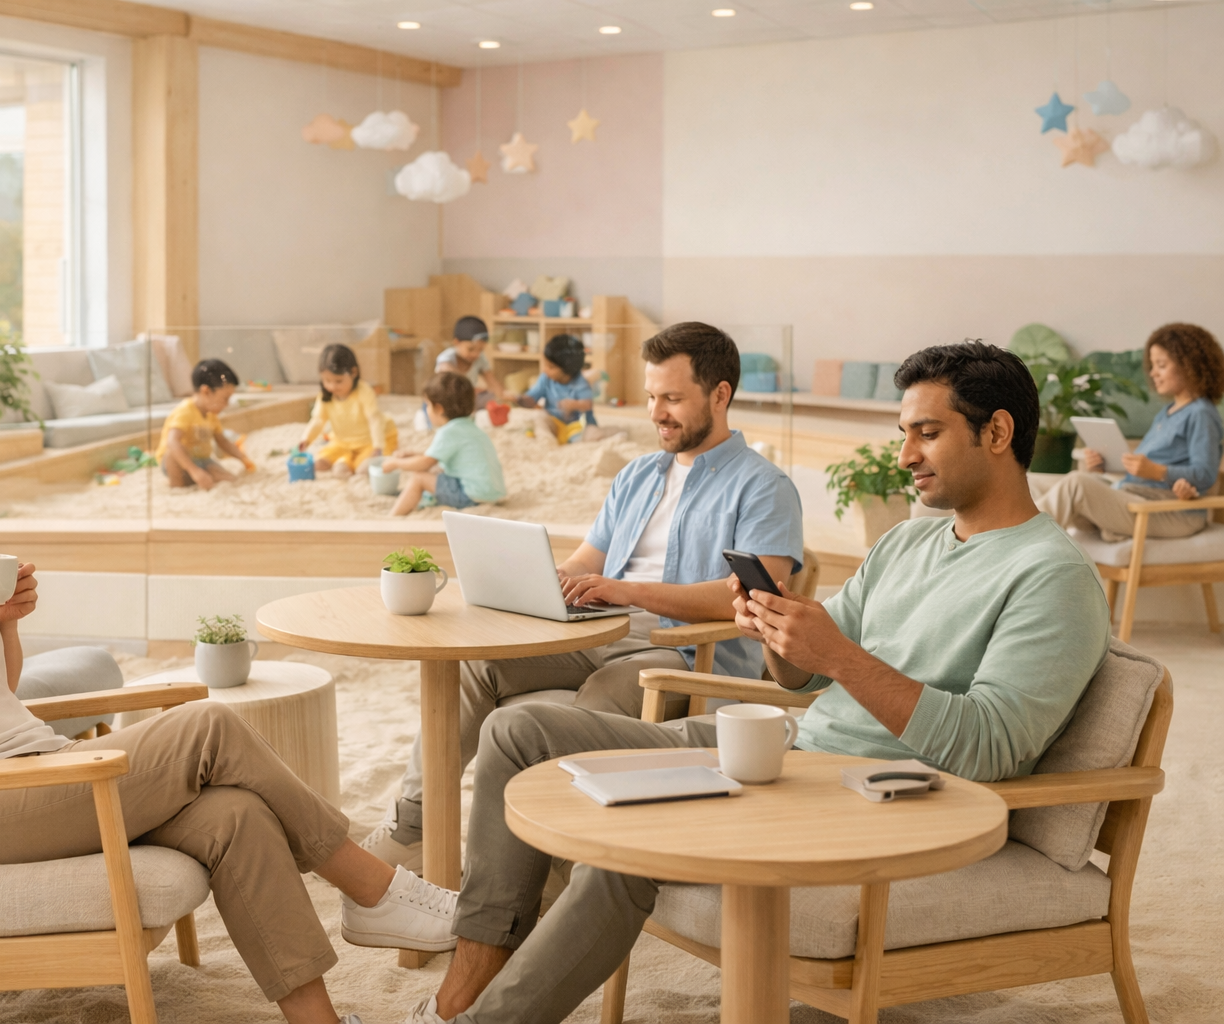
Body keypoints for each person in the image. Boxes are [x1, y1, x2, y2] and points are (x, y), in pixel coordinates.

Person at [394, 340, 1112, 1024]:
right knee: (518, 730)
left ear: (997, 433)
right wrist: (780, 633)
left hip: (872, 789)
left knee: (634, 839)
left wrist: (837, 657)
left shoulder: (1051, 576)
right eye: (903, 432)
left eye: (926, 432)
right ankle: (475, 963)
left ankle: (470, 1013)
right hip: (790, 747)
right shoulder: (908, 540)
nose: (904, 456)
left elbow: (990, 749)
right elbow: (800, 682)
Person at [0, 374, 456, 1024]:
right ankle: (372, 888)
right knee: (207, 726)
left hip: (27, 767)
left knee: (234, 814)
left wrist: (2, 627)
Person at [365, 323, 803, 874]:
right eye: (650, 396)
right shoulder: (638, 474)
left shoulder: (763, 486)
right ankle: (413, 824)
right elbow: (584, 565)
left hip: (682, 654)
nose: (655, 413)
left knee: (593, 699)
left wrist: (625, 590)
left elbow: (749, 598)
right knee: (474, 662)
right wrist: (534, 579)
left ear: (720, 394)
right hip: (599, 629)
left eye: (672, 398)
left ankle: (545, 868)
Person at [1035, 322, 1224, 540]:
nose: (1153, 373)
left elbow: (1205, 474)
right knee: (1038, 483)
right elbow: (1144, 473)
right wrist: (1104, 467)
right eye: (1152, 365)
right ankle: (1020, 541)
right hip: (1136, 496)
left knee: (1076, 484)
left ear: (1190, 365)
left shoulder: (1201, 413)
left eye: (1161, 365)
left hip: (1169, 509)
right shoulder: (1167, 412)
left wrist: (1158, 471)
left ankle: (1014, 543)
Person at [382, 372, 506, 517]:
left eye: (427, 405)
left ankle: (393, 517)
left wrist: (396, 463)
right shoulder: (470, 427)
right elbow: (438, 458)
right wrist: (412, 455)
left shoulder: (448, 431)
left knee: (419, 478)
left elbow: (425, 463)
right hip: (494, 494)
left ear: (439, 408)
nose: (426, 409)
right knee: (437, 470)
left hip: (471, 496)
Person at [299, 343, 399, 478]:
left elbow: (374, 419)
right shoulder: (325, 395)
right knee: (319, 464)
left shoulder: (363, 392)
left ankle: (354, 462)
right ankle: (344, 461)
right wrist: (306, 439)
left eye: (338, 381)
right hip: (342, 443)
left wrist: (378, 445)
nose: (332, 386)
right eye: (326, 381)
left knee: (362, 470)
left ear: (353, 372)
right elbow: (318, 420)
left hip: (369, 441)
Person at [156, 358, 255, 489]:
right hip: (180, 462)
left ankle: (195, 479)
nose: (227, 404)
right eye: (225, 398)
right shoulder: (185, 411)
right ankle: (179, 483)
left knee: (229, 478)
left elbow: (223, 442)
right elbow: (172, 442)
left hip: (202, 460)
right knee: (172, 456)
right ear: (206, 391)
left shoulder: (211, 416)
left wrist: (243, 458)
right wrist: (194, 470)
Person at [513, 334, 608, 444]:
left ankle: (601, 435)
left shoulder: (580, 381)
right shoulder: (546, 379)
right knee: (539, 417)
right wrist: (518, 399)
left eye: (551, 367)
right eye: (545, 365)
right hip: (555, 424)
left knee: (592, 434)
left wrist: (573, 405)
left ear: (568, 369)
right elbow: (531, 399)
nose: (545, 370)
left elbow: (587, 404)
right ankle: (546, 440)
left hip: (577, 426)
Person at [436, 316, 507, 411]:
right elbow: (451, 376)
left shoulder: (480, 358)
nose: (475, 354)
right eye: (470, 349)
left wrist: (502, 398)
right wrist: (473, 390)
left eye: (480, 350)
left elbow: (492, 381)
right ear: (457, 342)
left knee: (489, 398)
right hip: (443, 400)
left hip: (466, 400)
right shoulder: (447, 358)